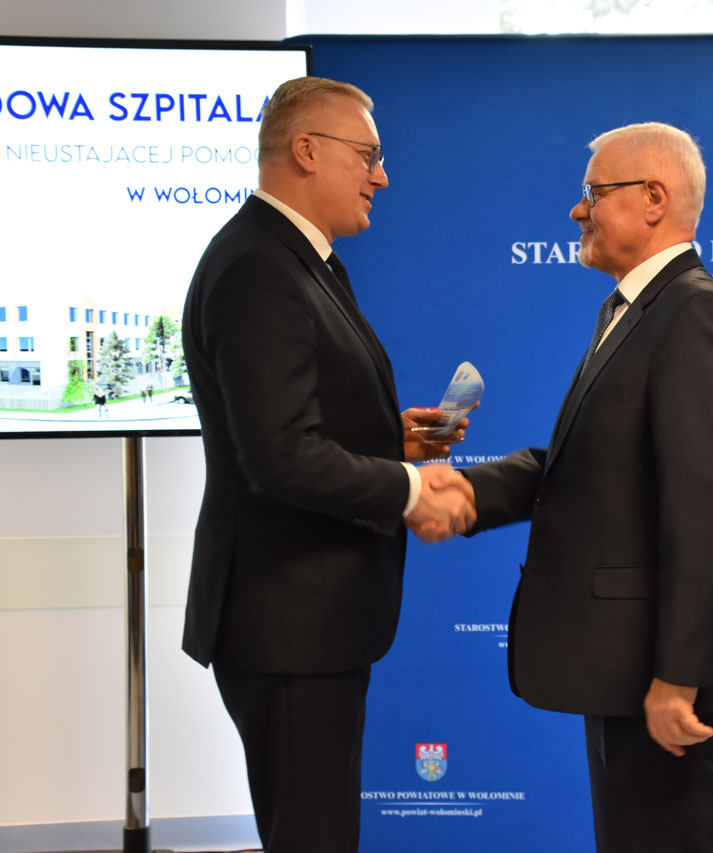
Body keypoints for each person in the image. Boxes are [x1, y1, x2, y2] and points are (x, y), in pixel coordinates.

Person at [446, 122, 713, 852]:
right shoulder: (636, 312)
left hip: (667, 679)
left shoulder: (696, 314)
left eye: (592, 193)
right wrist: (470, 494)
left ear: (654, 198)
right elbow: (593, 465)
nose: (577, 210)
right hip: (629, 667)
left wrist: (679, 677)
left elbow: (710, 511)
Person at [180, 76, 475, 853]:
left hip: (311, 620)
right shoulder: (258, 267)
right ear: (306, 151)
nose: (383, 176)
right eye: (368, 156)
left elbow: (293, 426)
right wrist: (410, 486)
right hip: (288, 622)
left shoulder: (304, 261)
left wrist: (388, 441)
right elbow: (278, 455)